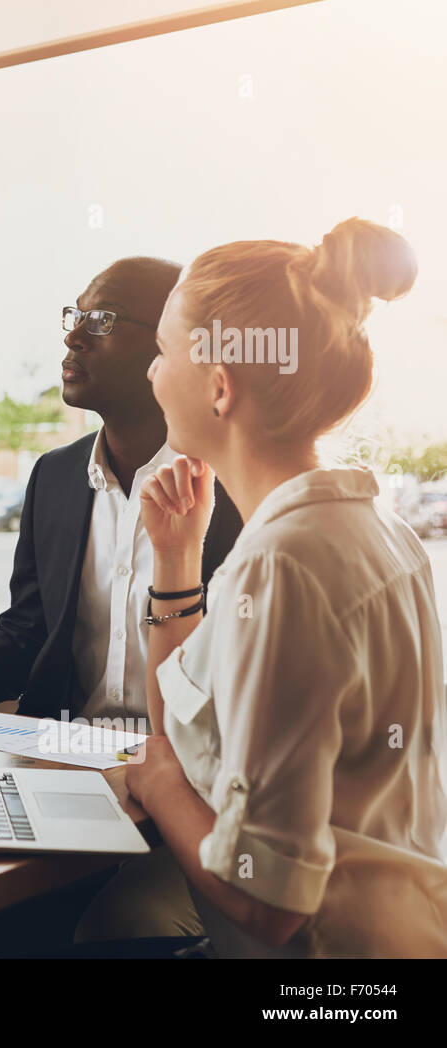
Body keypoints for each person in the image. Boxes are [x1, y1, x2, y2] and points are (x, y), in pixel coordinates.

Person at [127, 217, 447, 957]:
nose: (150, 373)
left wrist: (154, 783)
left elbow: (266, 901)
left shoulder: (284, 567)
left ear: (218, 386)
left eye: (162, 351)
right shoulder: (373, 530)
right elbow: (185, 728)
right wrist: (178, 561)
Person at [0, 258, 242, 728]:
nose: (73, 337)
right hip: (58, 753)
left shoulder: (229, 485)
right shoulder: (55, 476)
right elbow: (24, 638)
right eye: (75, 316)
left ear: (168, 344)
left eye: (103, 320)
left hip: (183, 765)